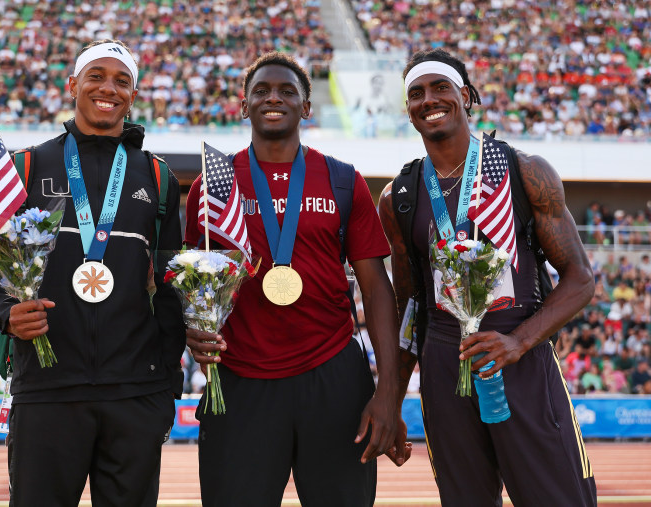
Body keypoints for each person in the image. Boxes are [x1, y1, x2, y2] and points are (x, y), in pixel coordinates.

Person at [184, 52, 409, 507]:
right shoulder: (212, 185)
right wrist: (191, 327)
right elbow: (191, 281)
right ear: (243, 105)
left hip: (333, 376)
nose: (273, 98)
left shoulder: (344, 180)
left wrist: (388, 392)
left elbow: (377, 290)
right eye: (261, 91)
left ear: (307, 107)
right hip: (240, 379)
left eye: (288, 91)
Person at [0, 39, 185, 507]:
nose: (108, 88)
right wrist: (7, 315)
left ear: (134, 94)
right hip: (46, 389)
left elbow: (171, 288)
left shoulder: (159, 177)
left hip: (135, 393)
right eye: (96, 76)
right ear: (72, 85)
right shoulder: (26, 166)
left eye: (122, 80)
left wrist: (167, 384)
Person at [378, 48, 597, 505]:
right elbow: (409, 308)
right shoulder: (398, 195)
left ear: (466, 95)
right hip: (442, 363)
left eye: (441, 87)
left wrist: (517, 342)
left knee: (559, 498)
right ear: (408, 109)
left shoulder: (527, 170)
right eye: (416, 93)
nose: (429, 100)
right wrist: (393, 400)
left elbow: (580, 279)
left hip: (520, 355)